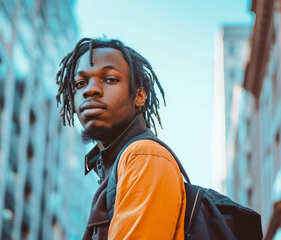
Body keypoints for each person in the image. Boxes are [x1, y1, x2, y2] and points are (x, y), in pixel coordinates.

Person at [56, 38, 185, 239]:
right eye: (80, 83)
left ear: (139, 95)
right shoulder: (115, 166)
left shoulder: (144, 156)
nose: (90, 90)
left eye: (110, 79)